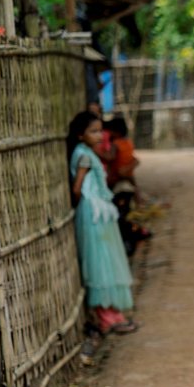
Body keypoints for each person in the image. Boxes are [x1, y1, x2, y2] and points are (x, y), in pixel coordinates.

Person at [67, 111, 138, 334]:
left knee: (105, 260)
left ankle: (113, 313)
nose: (99, 136)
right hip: (93, 212)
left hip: (99, 212)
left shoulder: (86, 152)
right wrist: (84, 205)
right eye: (93, 131)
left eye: (100, 131)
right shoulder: (84, 156)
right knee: (99, 263)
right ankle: (106, 317)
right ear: (80, 134)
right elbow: (77, 189)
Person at [102, 116, 150, 255]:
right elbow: (133, 161)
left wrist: (96, 151)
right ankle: (133, 238)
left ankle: (128, 242)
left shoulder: (116, 144)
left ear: (115, 131)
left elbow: (110, 158)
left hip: (120, 185)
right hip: (128, 184)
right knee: (126, 214)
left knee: (120, 216)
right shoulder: (128, 142)